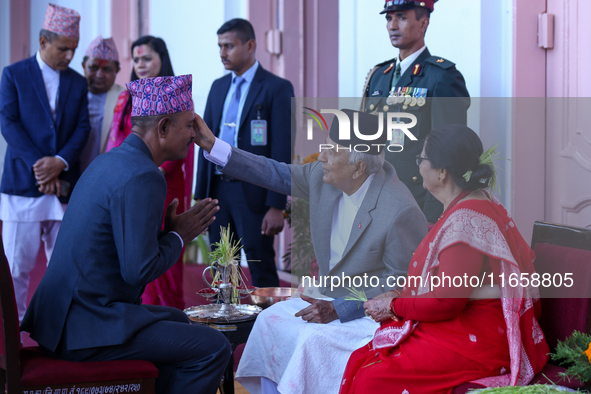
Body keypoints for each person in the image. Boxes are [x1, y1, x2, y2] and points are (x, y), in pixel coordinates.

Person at [22, 75, 232, 394]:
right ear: (163, 128)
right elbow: (138, 271)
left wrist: (171, 233)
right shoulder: (144, 176)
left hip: (62, 320)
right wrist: (178, 236)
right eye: (189, 125)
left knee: (177, 318)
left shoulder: (109, 161)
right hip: (85, 327)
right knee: (215, 345)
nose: (194, 134)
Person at [193, 109, 427, 394]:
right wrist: (213, 145)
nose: (322, 156)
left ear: (358, 167)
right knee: (269, 321)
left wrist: (339, 309)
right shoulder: (325, 176)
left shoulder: (398, 209)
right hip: (328, 297)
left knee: (309, 341)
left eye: (331, 150)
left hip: (368, 313)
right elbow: (273, 172)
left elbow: (399, 283)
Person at [340, 124, 550, 394]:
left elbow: (446, 301)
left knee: (373, 376)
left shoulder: (466, 222)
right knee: (365, 358)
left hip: (478, 338)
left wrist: (395, 305)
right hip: (468, 322)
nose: (418, 167)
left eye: (422, 159)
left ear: (442, 172)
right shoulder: (474, 202)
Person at [0, 3, 90, 322]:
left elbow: (83, 127)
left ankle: (58, 332)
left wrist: (60, 161)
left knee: (64, 266)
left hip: (64, 187)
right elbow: (8, 122)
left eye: (73, 50)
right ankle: (14, 339)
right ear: (43, 42)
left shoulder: (78, 83)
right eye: (63, 49)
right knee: (15, 267)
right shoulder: (14, 74)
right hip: (22, 185)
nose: (69, 56)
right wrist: (41, 164)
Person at [195, 18, 294, 288]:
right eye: (219, 46)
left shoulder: (276, 88)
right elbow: (203, 140)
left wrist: (276, 205)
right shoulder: (218, 87)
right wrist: (201, 198)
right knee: (222, 268)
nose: (222, 53)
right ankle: (224, 326)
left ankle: (267, 326)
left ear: (250, 46)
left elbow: (282, 148)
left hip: (255, 192)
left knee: (261, 266)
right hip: (218, 191)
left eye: (228, 46)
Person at [362, 0, 470, 223]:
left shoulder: (442, 76)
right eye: (388, 18)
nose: (392, 25)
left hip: (415, 202)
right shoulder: (379, 75)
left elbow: (449, 153)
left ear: (423, 23)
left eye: (401, 17)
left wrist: (434, 212)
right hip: (374, 197)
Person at [106, 35, 192, 309]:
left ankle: (171, 316)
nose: (141, 64)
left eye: (147, 58)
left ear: (161, 59)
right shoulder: (126, 96)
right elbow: (115, 140)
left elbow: (183, 142)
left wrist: (143, 171)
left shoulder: (177, 93)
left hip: (165, 186)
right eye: (136, 59)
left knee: (165, 255)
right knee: (134, 249)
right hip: (130, 184)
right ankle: (139, 315)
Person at [79, 35, 124, 172]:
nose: (99, 75)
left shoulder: (125, 99)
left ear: (117, 71)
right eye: (93, 67)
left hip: (108, 173)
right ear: (83, 66)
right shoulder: (72, 93)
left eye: (106, 70)